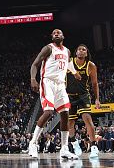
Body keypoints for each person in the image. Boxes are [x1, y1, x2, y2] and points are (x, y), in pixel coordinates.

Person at [28, 29, 79, 160]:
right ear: (52, 37)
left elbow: (69, 64)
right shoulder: (48, 48)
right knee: (49, 112)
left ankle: (64, 149)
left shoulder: (67, 51)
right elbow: (35, 64)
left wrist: (74, 73)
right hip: (48, 82)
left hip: (61, 84)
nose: (56, 34)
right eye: (54, 33)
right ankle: (33, 144)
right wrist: (33, 79)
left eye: (59, 33)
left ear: (63, 36)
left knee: (65, 114)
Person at [65, 44, 100, 158]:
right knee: (70, 122)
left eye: (83, 49)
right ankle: (75, 144)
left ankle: (94, 147)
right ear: (76, 52)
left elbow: (94, 84)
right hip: (69, 95)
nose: (81, 51)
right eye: (79, 49)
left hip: (83, 95)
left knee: (87, 119)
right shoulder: (69, 62)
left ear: (86, 53)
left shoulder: (91, 66)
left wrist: (97, 99)